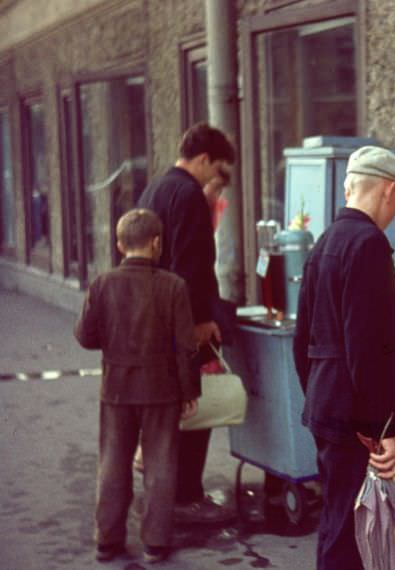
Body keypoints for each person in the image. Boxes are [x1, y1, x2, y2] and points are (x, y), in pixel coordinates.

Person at [293, 145, 395, 570]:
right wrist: (383, 427)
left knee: (338, 521)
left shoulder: (325, 241)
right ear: (388, 190)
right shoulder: (369, 245)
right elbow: (371, 347)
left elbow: (301, 337)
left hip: (327, 405)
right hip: (353, 416)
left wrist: (317, 393)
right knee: (349, 533)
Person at [74, 209, 199, 564]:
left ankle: (107, 539)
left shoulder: (102, 283)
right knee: (160, 465)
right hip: (162, 388)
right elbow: (186, 346)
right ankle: (156, 541)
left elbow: (85, 336)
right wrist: (190, 390)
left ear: (119, 244)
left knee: (113, 461)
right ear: (157, 243)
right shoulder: (173, 286)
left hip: (116, 387)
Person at [137, 122, 235, 524]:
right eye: (219, 171)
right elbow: (193, 265)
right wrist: (199, 320)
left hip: (152, 317)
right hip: (180, 323)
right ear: (203, 159)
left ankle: (164, 495)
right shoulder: (189, 194)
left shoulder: (154, 188)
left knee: (166, 412)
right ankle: (183, 496)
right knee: (192, 407)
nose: (219, 182)